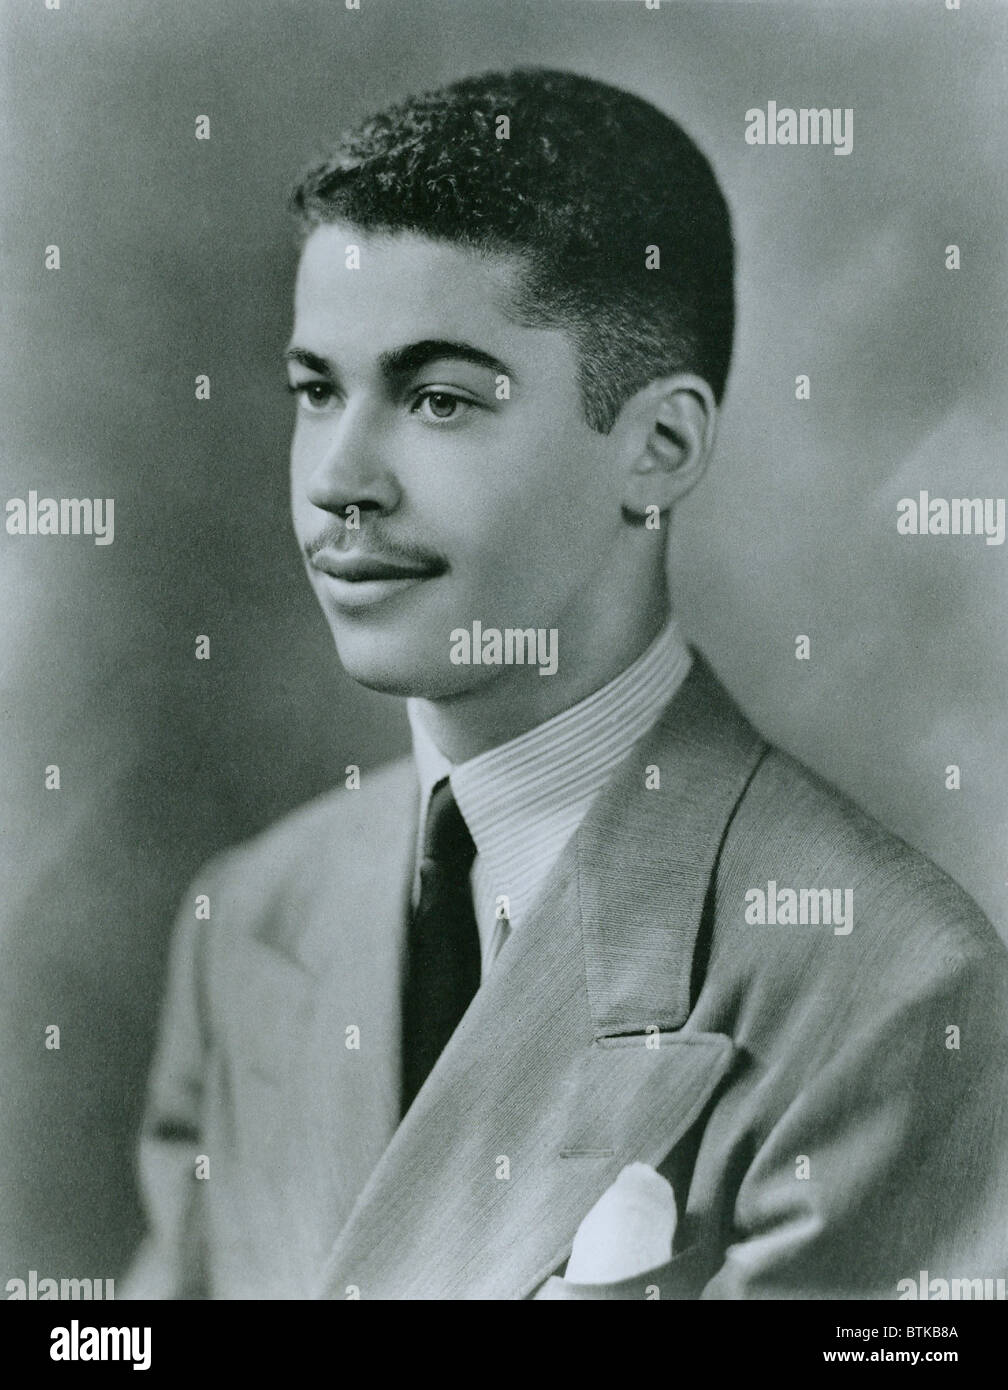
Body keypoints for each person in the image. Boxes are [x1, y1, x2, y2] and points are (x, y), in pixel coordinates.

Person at [124, 67, 1008, 1300]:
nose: (338, 479)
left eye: (439, 399)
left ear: (660, 448)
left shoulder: (895, 990)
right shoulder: (252, 915)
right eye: (317, 390)